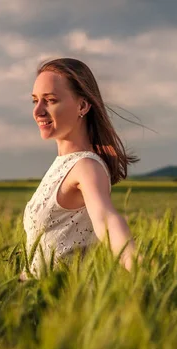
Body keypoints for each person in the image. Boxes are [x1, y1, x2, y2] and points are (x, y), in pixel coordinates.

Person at [22, 57, 139, 278]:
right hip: (36, 298)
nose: (38, 110)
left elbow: (107, 220)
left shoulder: (86, 166)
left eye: (50, 100)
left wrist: (141, 271)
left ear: (82, 106)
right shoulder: (62, 165)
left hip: (63, 302)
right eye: (35, 100)